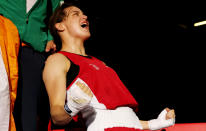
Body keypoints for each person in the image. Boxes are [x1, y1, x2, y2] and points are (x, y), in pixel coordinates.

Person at [43, 2, 176, 131]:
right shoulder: (58, 60)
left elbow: (118, 116)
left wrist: (155, 123)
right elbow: (57, 116)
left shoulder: (101, 64)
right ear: (60, 26)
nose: (85, 17)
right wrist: (72, 106)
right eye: (75, 14)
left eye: (83, 14)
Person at [0, 0, 64, 130]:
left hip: (32, 51)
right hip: (4, 47)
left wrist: (50, 37)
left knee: (28, 110)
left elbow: (56, 13)